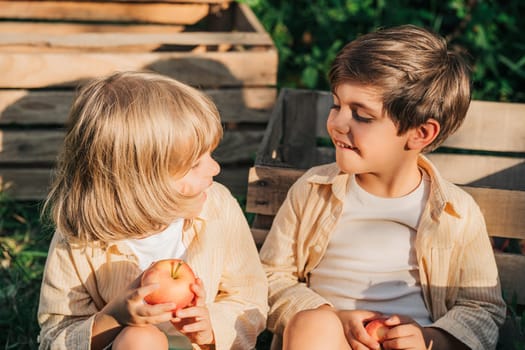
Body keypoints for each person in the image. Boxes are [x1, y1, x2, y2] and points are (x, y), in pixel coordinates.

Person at [259, 25, 506, 350]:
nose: (336, 123)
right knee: (312, 324)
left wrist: (429, 338)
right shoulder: (314, 190)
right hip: (325, 342)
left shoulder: (456, 213)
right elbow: (271, 277)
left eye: (361, 115)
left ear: (420, 134)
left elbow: (482, 308)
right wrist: (332, 317)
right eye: (337, 105)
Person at [37, 71, 268, 350]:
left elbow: (249, 298)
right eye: (195, 164)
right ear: (142, 184)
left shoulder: (218, 208)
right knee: (141, 338)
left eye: (211, 155)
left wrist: (209, 330)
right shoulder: (79, 239)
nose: (215, 169)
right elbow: (54, 337)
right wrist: (114, 318)